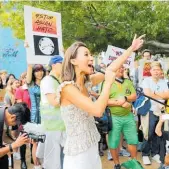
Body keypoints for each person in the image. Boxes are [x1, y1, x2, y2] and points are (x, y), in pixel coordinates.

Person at [58, 34, 144, 169]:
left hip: (92, 145)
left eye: (91, 55)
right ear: (73, 61)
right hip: (78, 153)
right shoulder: (67, 88)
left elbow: (111, 69)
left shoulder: (87, 82)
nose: (91, 58)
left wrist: (130, 49)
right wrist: (109, 82)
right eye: (86, 55)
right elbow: (97, 110)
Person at [106, 65, 137, 169]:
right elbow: (104, 101)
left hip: (128, 116)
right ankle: (116, 164)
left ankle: (134, 162)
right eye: (119, 67)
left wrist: (125, 98)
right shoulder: (107, 83)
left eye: (123, 67)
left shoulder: (128, 82)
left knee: (133, 140)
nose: (122, 69)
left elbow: (134, 96)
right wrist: (121, 103)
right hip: (114, 117)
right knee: (113, 141)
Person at [38, 55, 66, 169]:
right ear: (54, 65)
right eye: (62, 64)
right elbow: (54, 102)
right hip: (52, 128)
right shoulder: (47, 81)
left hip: (61, 127)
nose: (64, 66)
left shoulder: (58, 81)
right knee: (53, 162)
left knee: (62, 159)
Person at [140, 61, 169, 165]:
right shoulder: (146, 81)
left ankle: (155, 153)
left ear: (161, 71)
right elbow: (148, 94)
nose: (156, 72)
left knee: (159, 133)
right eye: (154, 70)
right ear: (151, 71)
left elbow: (167, 95)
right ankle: (145, 154)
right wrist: (160, 95)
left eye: (158, 70)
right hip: (150, 110)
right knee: (148, 132)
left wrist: (155, 93)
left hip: (161, 111)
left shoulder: (163, 82)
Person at [0, 103, 30, 169]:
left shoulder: (4, 111)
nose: (14, 126)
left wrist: (5, 148)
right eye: (16, 124)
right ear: (13, 117)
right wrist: (13, 145)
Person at [26, 64, 45, 168]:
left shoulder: (47, 82)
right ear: (33, 73)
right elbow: (29, 68)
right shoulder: (31, 84)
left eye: (41, 70)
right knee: (35, 142)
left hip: (47, 115)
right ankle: (37, 166)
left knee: (46, 141)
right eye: (37, 71)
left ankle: (46, 164)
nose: (40, 73)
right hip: (36, 116)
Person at [15, 72, 31, 169]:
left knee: (34, 137)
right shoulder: (20, 90)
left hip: (34, 116)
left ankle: (34, 157)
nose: (27, 79)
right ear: (22, 79)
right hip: (24, 117)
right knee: (24, 138)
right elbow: (20, 106)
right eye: (25, 77)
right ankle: (23, 160)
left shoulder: (34, 88)